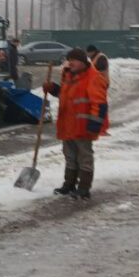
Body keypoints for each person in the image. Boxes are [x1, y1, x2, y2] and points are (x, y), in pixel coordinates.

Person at [43, 47, 109, 199]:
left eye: (73, 60)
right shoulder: (69, 76)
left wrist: (94, 126)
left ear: (82, 62)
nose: (70, 62)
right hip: (68, 125)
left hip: (84, 126)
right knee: (70, 157)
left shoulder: (93, 77)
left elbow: (99, 103)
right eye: (69, 59)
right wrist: (53, 89)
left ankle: (84, 188)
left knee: (84, 157)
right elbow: (65, 95)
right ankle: (69, 185)